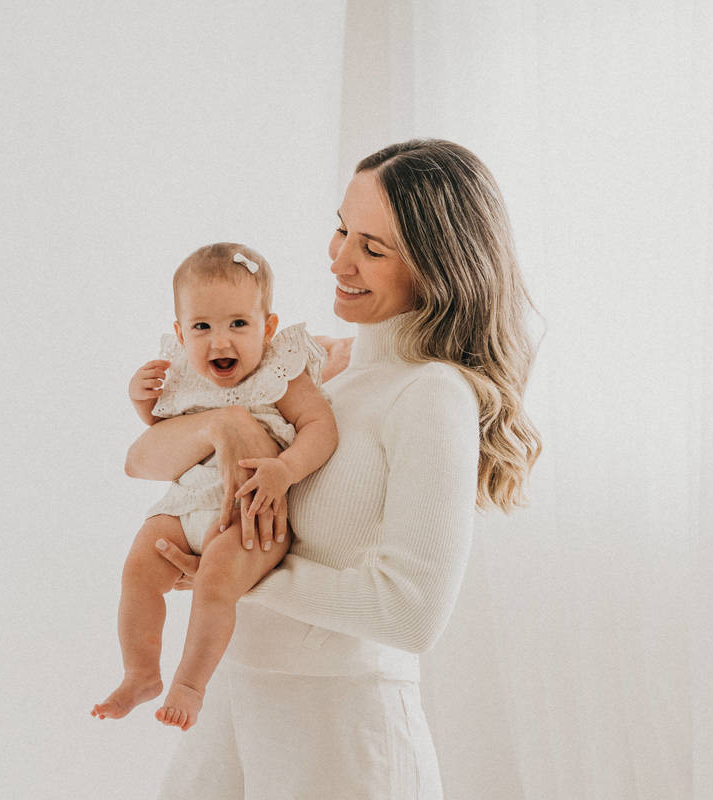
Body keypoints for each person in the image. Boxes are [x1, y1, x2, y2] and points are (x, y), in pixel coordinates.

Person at [129, 140, 542, 798]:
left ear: (436, 268)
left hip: (344, 736)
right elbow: (140, 463)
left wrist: (230, 578)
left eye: (372, 249)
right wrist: (219, 425)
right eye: (342, 228)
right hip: (238, 702)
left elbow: (412, 615)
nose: (338, 259)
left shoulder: (430, 394)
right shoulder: (315, 367)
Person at [92, 242, 338, 731]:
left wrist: (285, 469)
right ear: (180, 332)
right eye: (201, 327)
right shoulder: (182, 375)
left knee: (216, 582)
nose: (219, 341)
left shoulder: (280, 372)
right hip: (186, 501)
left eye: (238, 324)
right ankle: (140, 673)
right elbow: (161, 429)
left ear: (267, 327)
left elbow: (321, 428)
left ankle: (190, 685)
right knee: (139, 569)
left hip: (251, 509)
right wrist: (140, 399)